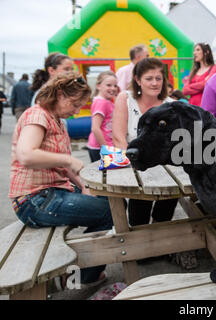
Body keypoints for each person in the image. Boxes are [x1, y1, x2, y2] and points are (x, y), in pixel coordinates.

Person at [9, 71, 113, 286]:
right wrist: (67, 161)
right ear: (59, 94)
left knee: (108, 199)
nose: (76, 111)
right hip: (33, 200)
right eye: (74, 104)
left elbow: (60, 166)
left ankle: (77, 266)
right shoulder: (37, 115)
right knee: (110, 212)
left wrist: (83, 185)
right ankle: (82, 276)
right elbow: (26, 154)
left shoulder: (56, 120)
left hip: (50, 193)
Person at [112, 58, 178, 227]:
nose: (155, 83)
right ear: (138, 80)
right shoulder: (125, 98)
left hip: (165, 169)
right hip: (133, 164)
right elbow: (118, 137)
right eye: (149, 78)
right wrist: (135, 165)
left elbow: (174, 143)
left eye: (159, 78)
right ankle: (141, 245)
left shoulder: (171, 105)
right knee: (138, 215)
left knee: (164, 212)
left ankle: (160, 246)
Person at [87, 71, 118, 162]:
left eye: (115, 86)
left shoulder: (106, 101)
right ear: (99, 86)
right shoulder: (102, 102)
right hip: (100, 147)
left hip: (103, 146)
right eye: (109, 85)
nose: (113, 88)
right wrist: (105, 149)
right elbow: (95, 128)